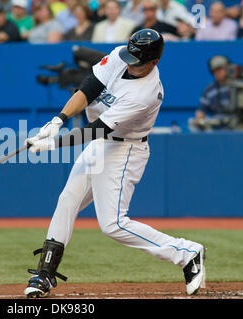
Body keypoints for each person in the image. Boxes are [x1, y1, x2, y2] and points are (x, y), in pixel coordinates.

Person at [23, 28, 206, 299]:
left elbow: (96, 129)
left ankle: (187, 253)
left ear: (154, 62)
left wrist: (52, 144)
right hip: (100, 145)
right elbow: (89, 87)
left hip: (124, 149)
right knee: (68, 200)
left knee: (113, 225)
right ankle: (45, 273)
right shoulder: (123, 55)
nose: (131, 65)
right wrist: (58, 120)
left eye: (138, 63)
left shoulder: (145, 95)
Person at [189, 55, 235, 131]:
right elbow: (200, 114)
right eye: (214, 71)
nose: (217, 72)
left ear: (228, 68)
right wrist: (199, 120)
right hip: (217, 133)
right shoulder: (209, 91)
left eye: (220, 69)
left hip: (240, 130)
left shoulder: (240, 87)